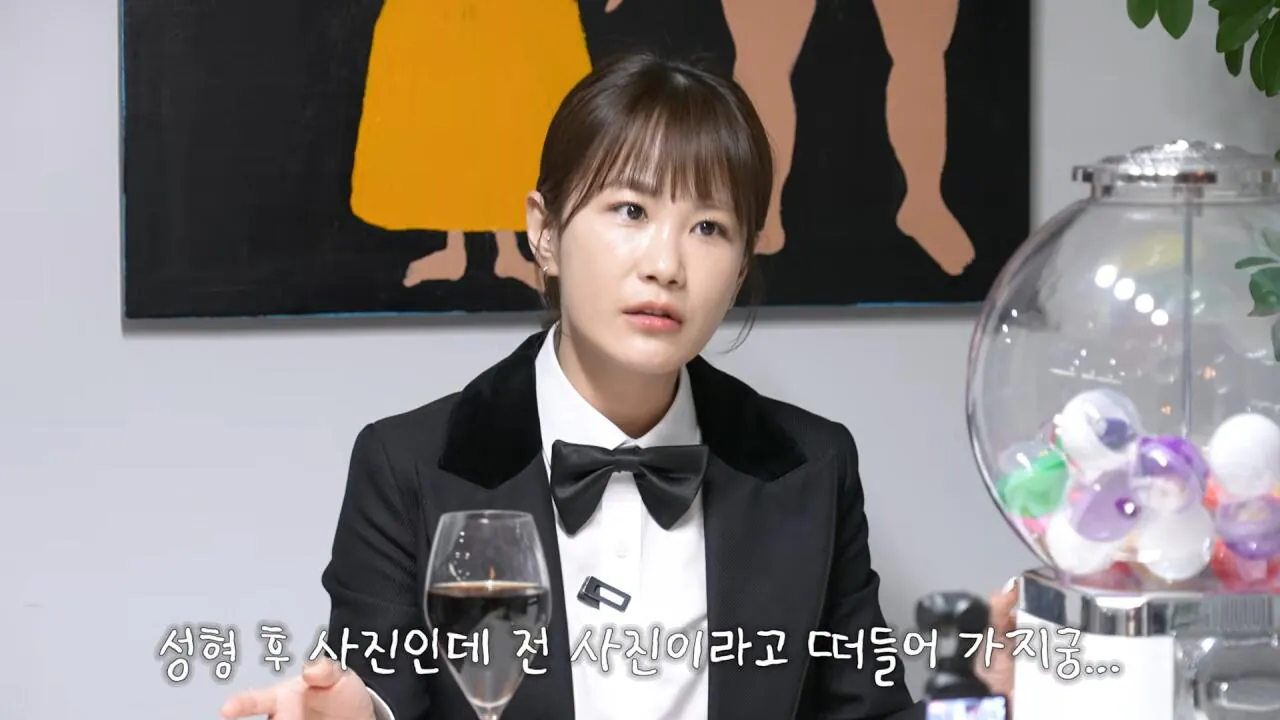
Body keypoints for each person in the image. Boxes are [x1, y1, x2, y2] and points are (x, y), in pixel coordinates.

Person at [220, 52, 1017, 720]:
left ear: (742, 266)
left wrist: (980, 699)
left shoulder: (812, 467)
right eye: (630, 210)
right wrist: (349, 711)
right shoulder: (411, 465)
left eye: (708, 227)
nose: (666, 264)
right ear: (544, 232)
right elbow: (378, 688)